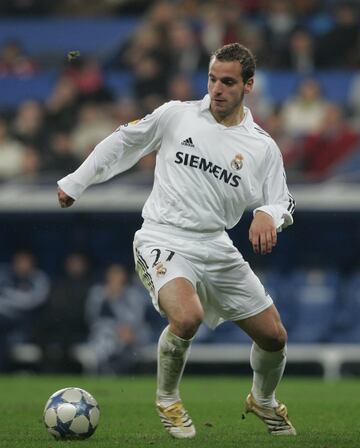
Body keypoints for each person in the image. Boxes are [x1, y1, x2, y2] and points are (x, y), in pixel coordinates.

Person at [57, 43, 296, 438]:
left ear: (248, 86)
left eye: (228, 82)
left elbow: (282, 199)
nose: (217, 88)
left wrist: (268, 214)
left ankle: (263, 400)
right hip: (162, 235)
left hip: (216, 244)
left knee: (274, 337)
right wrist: (76, 181)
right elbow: (123, 141)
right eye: (212, 79)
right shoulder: (176, 115)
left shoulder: (262, 147)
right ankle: (168, 398)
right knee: (187, 317)